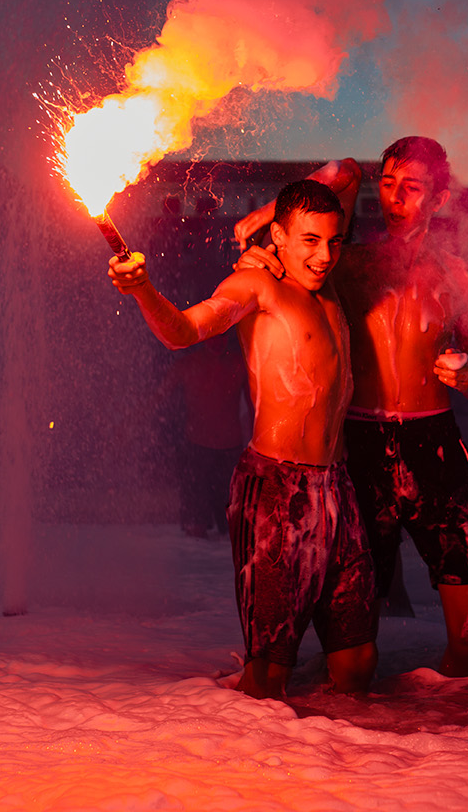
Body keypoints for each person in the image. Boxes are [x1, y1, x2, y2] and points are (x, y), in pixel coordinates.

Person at [234, 139, 468, 677]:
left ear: (440, 199)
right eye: (389, 182)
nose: (394, 196)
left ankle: (453, 750)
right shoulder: (341, 263)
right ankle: (349, 751)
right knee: (351, 644)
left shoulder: (463, 277)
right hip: (359, 450)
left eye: (413, 187)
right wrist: (269, 220)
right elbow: (345, 173)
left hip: (435, 447)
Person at [111, 179, 376, 700]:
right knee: (269, 677)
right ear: (281, 236)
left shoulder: (330, 286)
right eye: (309, 241)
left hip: (338, 490)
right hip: (276, 490)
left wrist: (259, 215)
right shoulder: (257, 287)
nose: (325, 256)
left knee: (357, 669)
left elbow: (347, 171)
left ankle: (337, 770)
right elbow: (182, 332)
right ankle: (242, 766)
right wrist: (142, 287)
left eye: (334, 241)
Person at [158, 331, 248, 537]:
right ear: (203, 338)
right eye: (213, 337)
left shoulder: (239, 364)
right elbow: (157, 400)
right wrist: (128, 426)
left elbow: (255, 406)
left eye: (222, 337)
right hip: (196, 447)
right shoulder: (187, 365)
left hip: (230, 448)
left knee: (233, 528)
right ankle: (196, 565)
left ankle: (217, 567)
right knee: (195, 527)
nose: (218, 342)